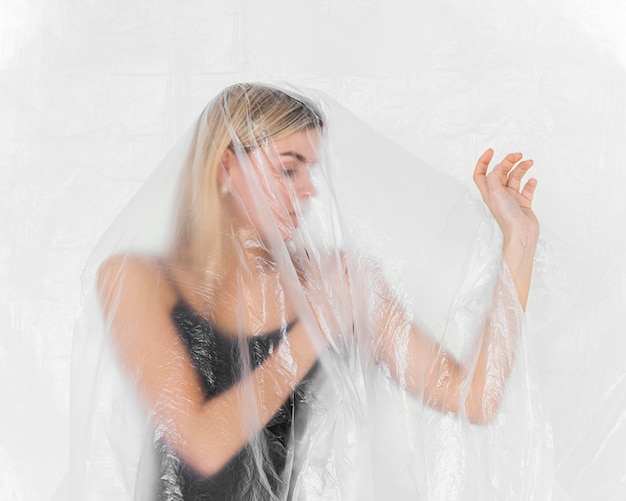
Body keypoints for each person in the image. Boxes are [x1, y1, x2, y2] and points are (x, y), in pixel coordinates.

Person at [95, 83, 539, 500]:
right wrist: (316, 329)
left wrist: (519, 241)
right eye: (288, 169)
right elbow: (201, 447)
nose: (308, 191)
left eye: (310, 170)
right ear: (227, 166)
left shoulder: (337, 282)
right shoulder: (136, 280)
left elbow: (474, 398)